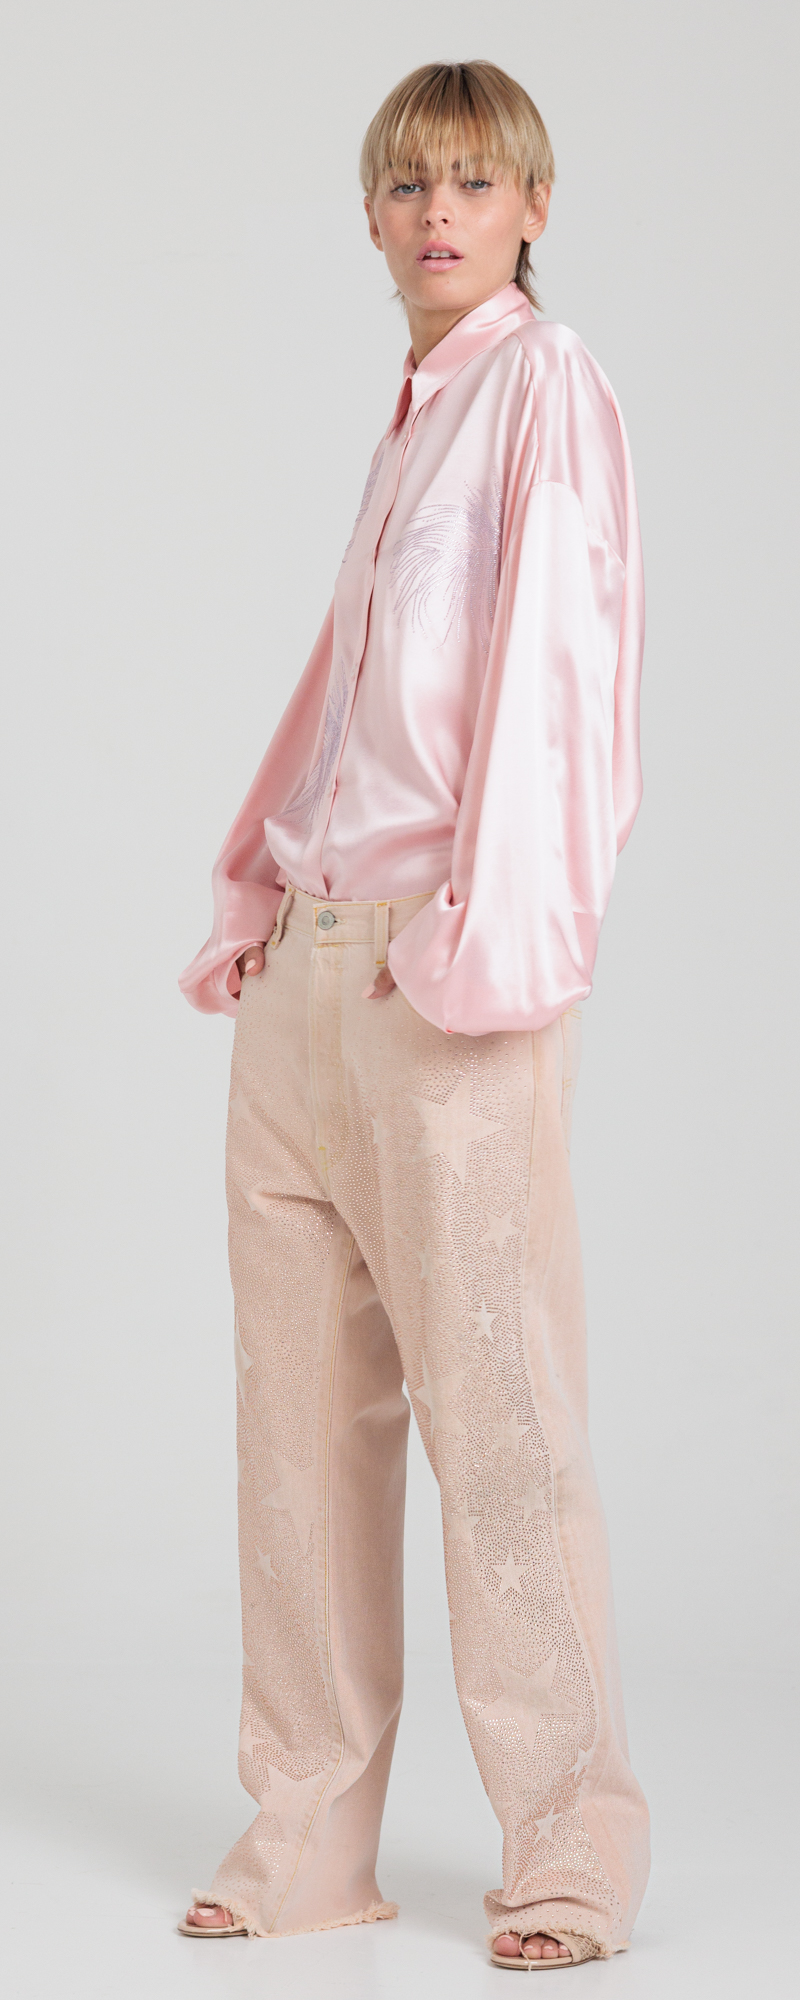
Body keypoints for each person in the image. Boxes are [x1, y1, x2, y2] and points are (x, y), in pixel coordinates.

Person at [177, 59, 650, 1970]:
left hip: (441, 981)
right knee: (294, 1434)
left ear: (532, 205)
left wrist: (479, 946)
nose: (439, 211)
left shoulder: (545, 386)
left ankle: (570, 1852)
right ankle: (310, 1835)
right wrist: (257, 891)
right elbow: (360, 695)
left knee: (503, 1427)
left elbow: (563, 688)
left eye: (475, 179)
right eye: (408, 183)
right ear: (370, 215)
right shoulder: (416, 411)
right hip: (306, 978)